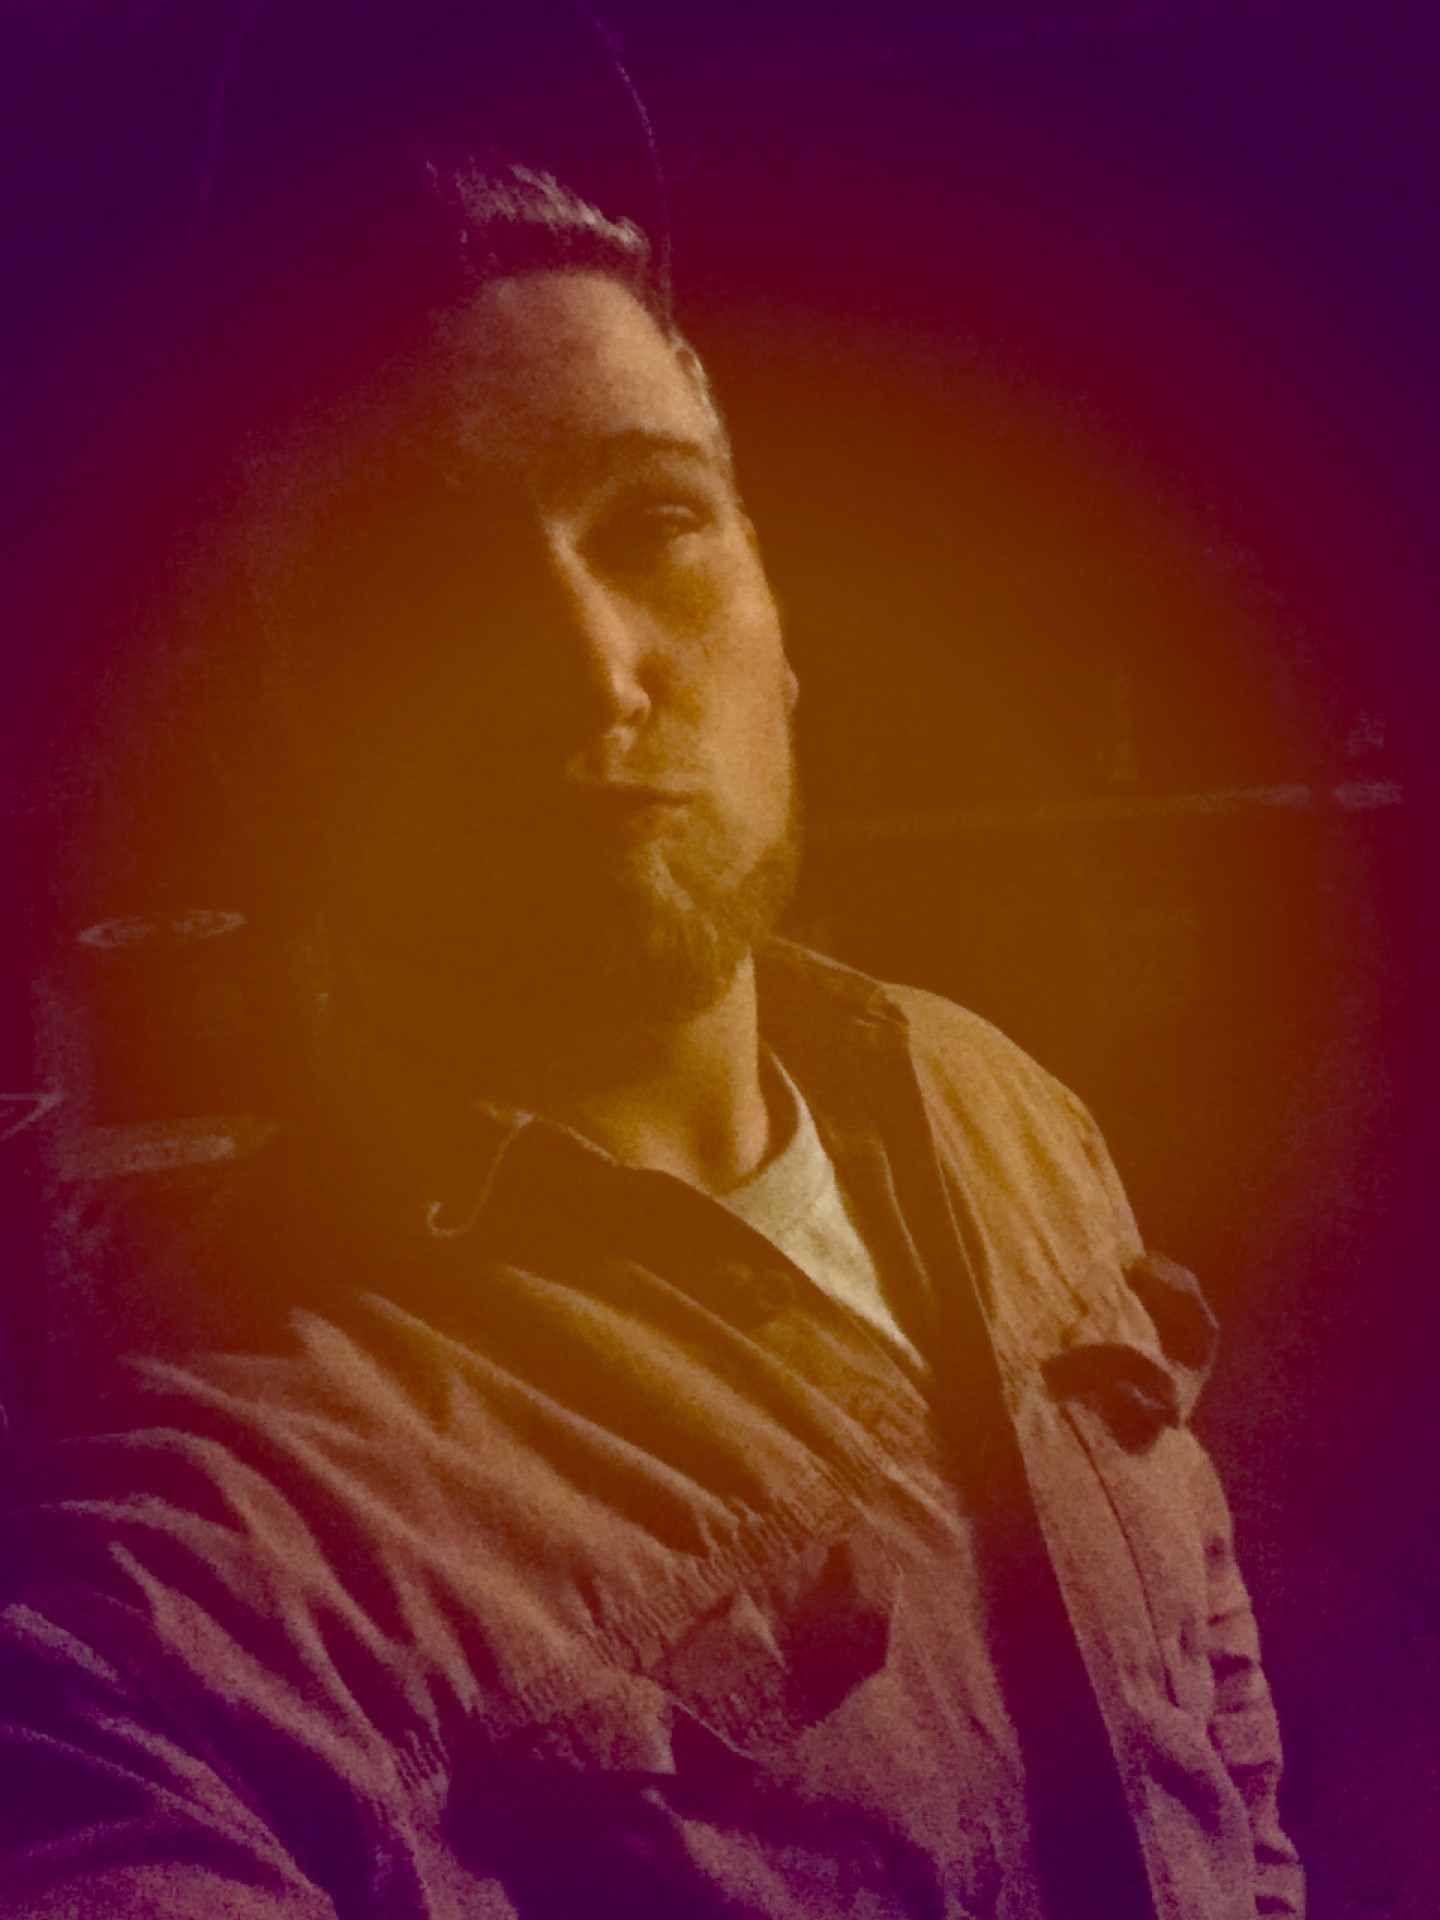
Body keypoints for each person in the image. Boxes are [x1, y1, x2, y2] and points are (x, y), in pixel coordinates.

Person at [0, 156, 1303, 1920]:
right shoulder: (241, 1540)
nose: (587, 661)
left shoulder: (996, 1097)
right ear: (262, 746)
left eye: (654, 523)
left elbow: (1200, 1660)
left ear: (780, 622)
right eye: (417, 587)